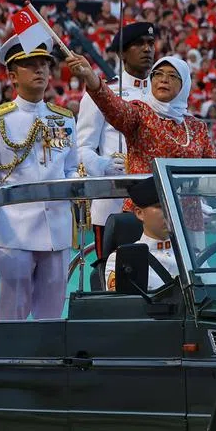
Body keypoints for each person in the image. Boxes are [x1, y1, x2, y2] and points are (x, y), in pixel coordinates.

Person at [0, 35, 80, 320]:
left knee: (52, 314)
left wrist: (77, 194)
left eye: (44, 64)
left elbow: (71, 168)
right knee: (13, 314)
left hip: (57, 228)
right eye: (30, 64)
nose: (40, 70)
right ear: (13, 76)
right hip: (14, 228)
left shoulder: (64, 118)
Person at [67, 53, 216, 185]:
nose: (164, 80)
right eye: (158, 74)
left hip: (185, 205)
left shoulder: (196, 127)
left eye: (172, 76)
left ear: (184, 85)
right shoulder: (140, 113)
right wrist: (91, 77)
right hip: (145, 205)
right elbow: (112, 105)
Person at [77, 22, 157, 256]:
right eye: (139, 44)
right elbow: (81, 147)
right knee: (113, 272)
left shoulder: (162, 93)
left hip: (158, 205)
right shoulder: (103, 92)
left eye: (150, 43)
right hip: (114, 201)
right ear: (122, 53)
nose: (147, 49)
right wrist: (103, 165)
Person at [103, 177, 178, 292]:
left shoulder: (190, 256)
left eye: (172, 206)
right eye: (160, 207)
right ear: (139, 213)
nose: (169, 213)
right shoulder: (122, 259)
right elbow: (123, 302)